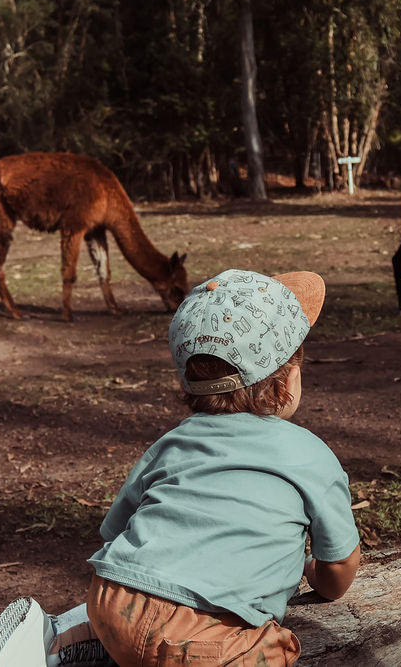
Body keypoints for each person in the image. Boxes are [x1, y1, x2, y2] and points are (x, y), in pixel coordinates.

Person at [86, 268, 361, 666]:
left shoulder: (173, 443)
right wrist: (314, 574)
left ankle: (78, 645)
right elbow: (339, 568)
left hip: (112, 601)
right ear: (288, 383)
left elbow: (114, 532)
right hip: (203, 635)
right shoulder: (310, 454)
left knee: (139, 646)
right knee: (277, 651)